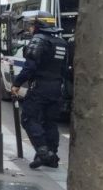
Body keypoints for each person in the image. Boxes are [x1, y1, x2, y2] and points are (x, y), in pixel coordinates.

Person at [11, 11, 67, 169]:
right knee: (49, 122)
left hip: (40, 87)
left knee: (29, 119)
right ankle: (52, 156)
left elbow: (30, 67)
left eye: (33, 24)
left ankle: (44, 153)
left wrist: (17, 83)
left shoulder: (39, 40)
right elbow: (64, 69)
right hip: (56, 88)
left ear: (39, 25)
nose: (31, 28)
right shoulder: (61, 42)